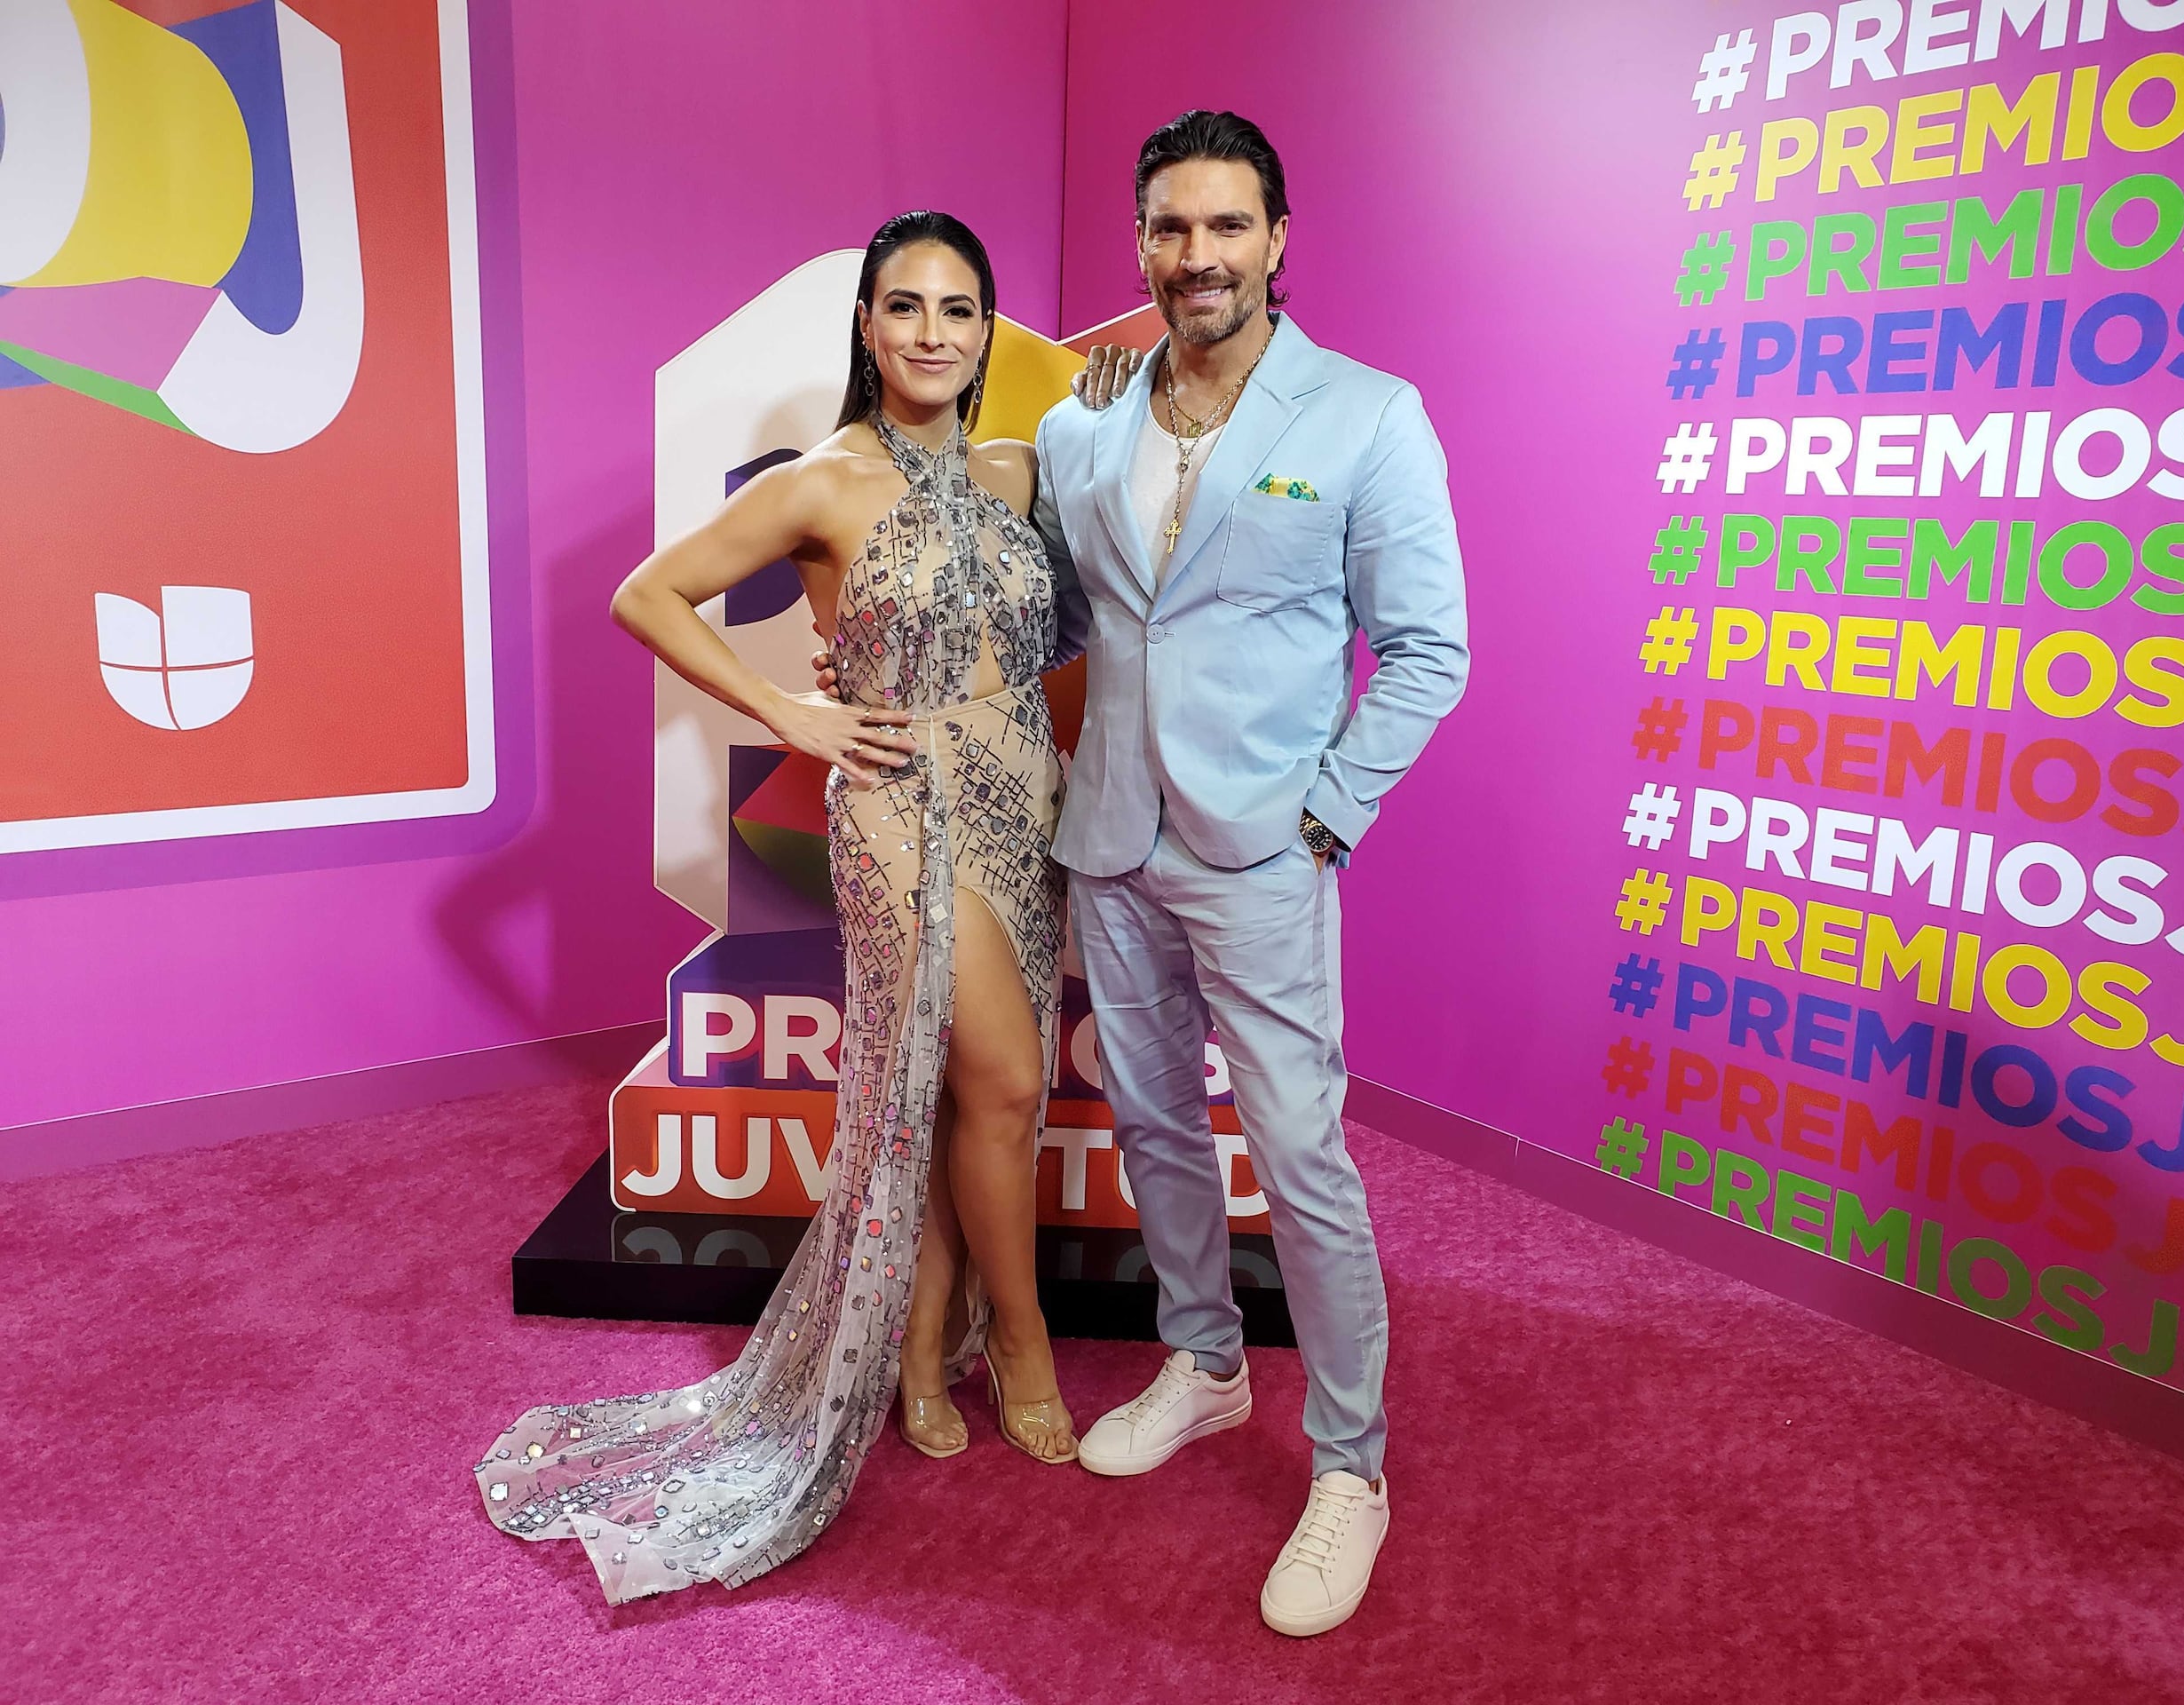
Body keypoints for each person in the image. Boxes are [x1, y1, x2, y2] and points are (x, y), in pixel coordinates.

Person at [474, 210, 1085, 1606]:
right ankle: (1027, 1341)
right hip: (900, 812)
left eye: (960, 310)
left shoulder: (1014, 465)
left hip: (1020, 805)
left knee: (955, 1093)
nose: (934, 332)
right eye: (906, 307)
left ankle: (927, 1339)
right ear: (867, 329)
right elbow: (649, 594)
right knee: (994, 1085)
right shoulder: (825, 480)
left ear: (988, 332)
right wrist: (788, 714)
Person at [1048, 111, 1468, 1638]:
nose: (1198, 255)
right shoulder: (1085, 425)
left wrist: (1328, 818)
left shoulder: (1367, 415)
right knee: (1158, 1127)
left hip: (1263, 855)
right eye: (1170, 227)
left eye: (1228, 227)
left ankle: (1350, 1468)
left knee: (1303, 1160)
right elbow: (1074, 625)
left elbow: (1429, 650)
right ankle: (1206, 1367)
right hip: (1108, 842)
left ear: (1279, 240)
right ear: (1140, 241)